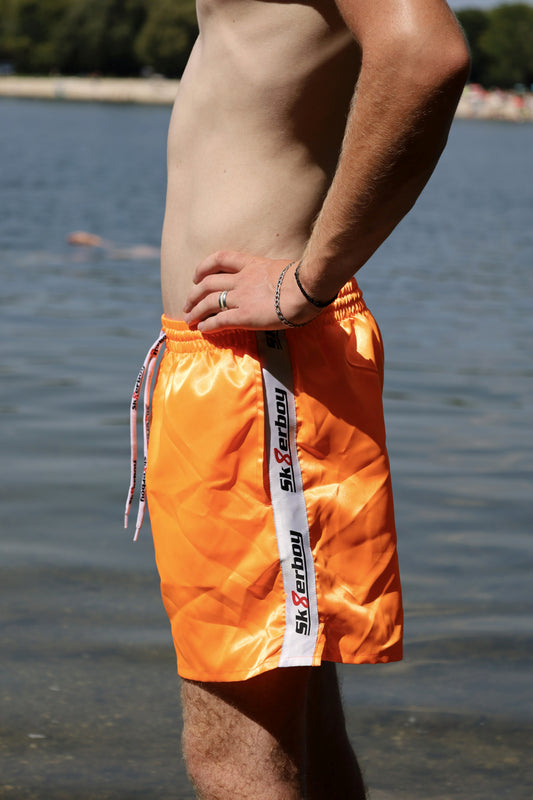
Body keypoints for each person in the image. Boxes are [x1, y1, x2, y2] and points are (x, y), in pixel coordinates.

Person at [126, 0, 469, 797]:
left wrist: (307, 282)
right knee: (303, 732)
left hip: (256, 373)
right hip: (230, 367)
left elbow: (424, 53)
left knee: (232, 757)